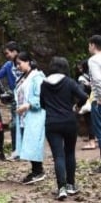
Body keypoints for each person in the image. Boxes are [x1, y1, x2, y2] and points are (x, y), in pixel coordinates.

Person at [41, 57, 88, 200]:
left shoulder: (44, 83)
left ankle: (61, 188)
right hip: (69, 121)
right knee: (69, 153)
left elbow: (42, 103)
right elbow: (84, 96)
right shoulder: (69, 82)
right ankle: (71, 185)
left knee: (58, 156)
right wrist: (76, 106)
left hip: (52, 123)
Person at [13, 51, 46, 184]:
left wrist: (28, 105)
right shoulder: (23, 77)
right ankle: (35, 169)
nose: (18, 67)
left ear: (28, 62)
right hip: (24, 114)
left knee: (34, 141)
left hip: (34, 113)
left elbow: (41, 96)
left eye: (19, 63)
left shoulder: (37, 76)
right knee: (29, 141)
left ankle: (39, 170)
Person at [88, 34, 101, 173]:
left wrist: (99, 97)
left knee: (100, 131)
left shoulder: (93, 60)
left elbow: (97, 80)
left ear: (93, 45)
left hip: (99, 100)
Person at [76, 60, 96, 150]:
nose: (79, 69)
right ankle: (96, 138)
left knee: (89, 121)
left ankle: (92, 142)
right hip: (97, 100)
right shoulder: (95, 75)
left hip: (88, 102)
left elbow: (82, 93)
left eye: (80, 67)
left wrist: (78, 105)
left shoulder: (82, 78)